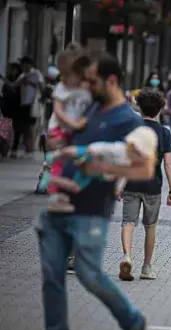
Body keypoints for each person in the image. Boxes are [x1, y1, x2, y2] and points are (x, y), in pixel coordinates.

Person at [22, 53, 152, 330]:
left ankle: (133, 322)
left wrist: (100, 168)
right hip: (59, 206)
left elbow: (142, 168)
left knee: (88, 274)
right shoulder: (89, 106)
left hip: (92, 209)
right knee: (52, 275)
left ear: (111, 81)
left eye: (93, 81)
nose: (87, 86)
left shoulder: (129, 120)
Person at [119, 88, 171, 281]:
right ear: (160, 109)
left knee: (128, 222)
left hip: (131, 183)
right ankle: (146, 267)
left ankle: (127, 256)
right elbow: (169, 163)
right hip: (153, 185)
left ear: (139, 108)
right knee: (150, 226)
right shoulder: (164, 132)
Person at [40, 44, 93, 212]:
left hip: (77, 131)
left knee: (77, 161)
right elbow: (58, 111)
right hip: (61, 129)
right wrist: (73, 124)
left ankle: (72, 191)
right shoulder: (62, 88)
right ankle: (54, 191)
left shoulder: (87, 88)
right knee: (59, 160)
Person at [10, 56, 44, 157]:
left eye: (24, 64)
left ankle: (30, 150)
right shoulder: (23, 75)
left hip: (32, 104)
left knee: (29, 128)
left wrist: (31, 82)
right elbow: (14, 85)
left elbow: (42, 87)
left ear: (28, 64)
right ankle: (23, 148)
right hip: (23, 104)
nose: (22, 66)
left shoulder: (37, 74)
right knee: (21, 126)